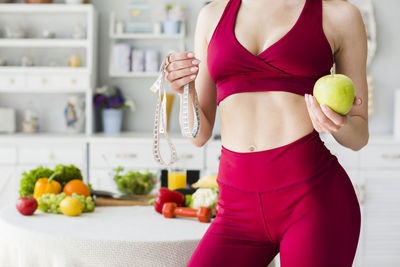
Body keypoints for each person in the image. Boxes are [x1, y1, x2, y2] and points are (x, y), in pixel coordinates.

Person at [164, 0, 368, 266]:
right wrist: (184, 90)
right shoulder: (212, 15)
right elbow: (198, 135)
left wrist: (338, 123)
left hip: (313, 201)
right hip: (235, 209)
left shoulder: (339, 14)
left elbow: (359, 135)